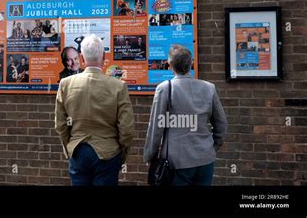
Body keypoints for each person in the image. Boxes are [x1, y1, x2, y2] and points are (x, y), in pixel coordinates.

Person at [55, 34, 134, 186]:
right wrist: (121, 154)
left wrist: (70, 148)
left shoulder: (65, 84)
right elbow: (127, 129)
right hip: (108, 153)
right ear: (103, 57)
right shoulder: (118, 86)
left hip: (78, 151)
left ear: (82, 58)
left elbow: (60, 124)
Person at [143, 45, 228, 186]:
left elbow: (155, 129)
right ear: (191, 63)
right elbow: (221, 124)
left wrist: (150, 156)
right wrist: (213, 147)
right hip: (205, 159)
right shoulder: (209, 88)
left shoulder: (165, 88)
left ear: (170, 66)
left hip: (176, 162)